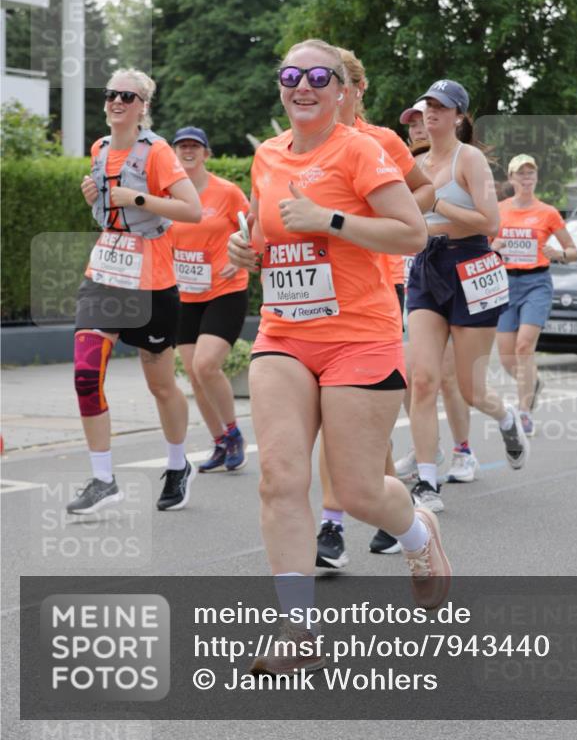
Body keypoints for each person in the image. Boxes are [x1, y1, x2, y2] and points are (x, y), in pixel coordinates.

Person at [227, 39, 450, 674]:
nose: (303, 85)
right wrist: (247, 251)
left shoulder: (361, 149)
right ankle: (297, 629)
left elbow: (410, 230)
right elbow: (262, 230)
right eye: (290, 75)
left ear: (339, 89)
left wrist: (330, 219)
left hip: (360, 334)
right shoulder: (268, 156)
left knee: (353, 491)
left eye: (317, 76)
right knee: (280, 478)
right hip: (284, 334)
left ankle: (417, 531)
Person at [315, 49, 435, 566]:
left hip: (376, 284)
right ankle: (338, 523)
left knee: (360, 422)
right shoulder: (300, 144)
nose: (331, 92)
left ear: (356, 90)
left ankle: (355, 516)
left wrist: (387, 219)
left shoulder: (380, 141)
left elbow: (423, 190)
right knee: (336, 417)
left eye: (340, 83)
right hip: (316, 290)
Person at [67, 70, 202, 515]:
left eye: (128, 95)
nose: (117, 101)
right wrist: (96, 199)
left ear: (144, 105)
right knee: (86, 374)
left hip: (152, 281)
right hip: (105, 273)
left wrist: (137, 198)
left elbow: (192, 210)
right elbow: (109, 216)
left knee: (161, 385)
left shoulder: (158, 152)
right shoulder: (99, 149)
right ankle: (103, 479)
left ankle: (178, 464)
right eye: (111, 94)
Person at [406, 79, 529, 514]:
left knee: (471, 388)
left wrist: (438, 203)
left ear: (459, 115)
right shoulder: (414, 161)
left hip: (470, 267)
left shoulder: (468, 157)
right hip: (427, 268)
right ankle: (425, 481)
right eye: (426, 108)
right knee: (422, 379)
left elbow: (489, 222)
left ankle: (507, 418)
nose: (430, 114)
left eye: (440, 107)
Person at [394, 101, 481, 486]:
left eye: (422, 120)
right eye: (411, 123)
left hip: (446, 279)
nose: (417, 128)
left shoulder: (453, 164)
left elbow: (480, 225)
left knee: (442, 377)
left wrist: (434, 225)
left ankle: (463, 448)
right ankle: (426, 445)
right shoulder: (396, 170)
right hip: (403, 280)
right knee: (406, 375)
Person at [170, 126, 250, 472]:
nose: (188, 151)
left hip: (225, 290)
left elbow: (253, 226)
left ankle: (233, 433)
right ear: (174, 153)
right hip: (185, 293)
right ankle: (219, 442)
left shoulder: (227, 192)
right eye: (182, 146)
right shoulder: (167, 195)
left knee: (206, 365)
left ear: (206, 153)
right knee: (193, 371)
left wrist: (237, 257)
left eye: (194, 147)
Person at [492, 154, 577, 435]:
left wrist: (560, 254)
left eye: (531, 174)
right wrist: (494, 245)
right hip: (505, 283)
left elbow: (574, 251)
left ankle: (525, 411)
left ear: (536, 178)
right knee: (507, 357)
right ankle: (533, 383)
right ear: (511, 179)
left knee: (524, 347)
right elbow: (485, 242)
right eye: (521, 174)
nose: (526, 179)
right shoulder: (499, 209)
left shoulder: (548, 212)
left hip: (536, 283)